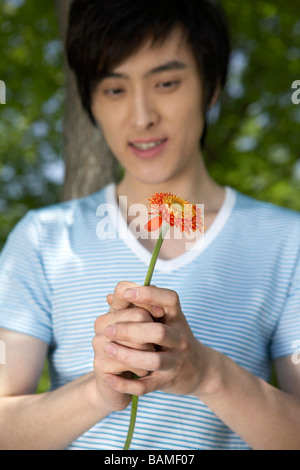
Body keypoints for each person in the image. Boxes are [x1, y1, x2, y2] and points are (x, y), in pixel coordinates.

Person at [0, 0, 300, 451]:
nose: (142, 117)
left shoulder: (285, 241)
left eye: (166, 82)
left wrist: (207, 373)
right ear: (91, 103)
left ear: (212, 87)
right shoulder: (43, 238)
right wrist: (98, 393)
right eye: (114, 89)